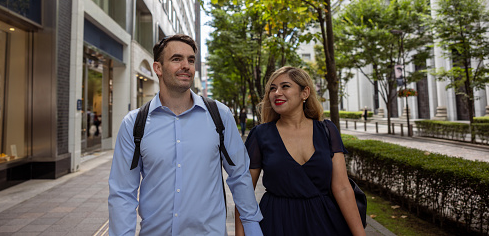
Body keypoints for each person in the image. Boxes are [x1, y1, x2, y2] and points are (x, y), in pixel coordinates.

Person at [108, 34, 263, 236]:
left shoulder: (220, 115)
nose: (186, 65)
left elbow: (239, 176)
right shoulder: (134, 124)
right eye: (176, 59)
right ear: (158, 68)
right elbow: (122, 192)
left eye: (191, 60)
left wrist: (252, 226)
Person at [235, 66, 366, 236]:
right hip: (277, 222)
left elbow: (342, 188)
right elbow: (244, 193)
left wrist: (360, 234)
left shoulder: (327, 131)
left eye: (285, 86)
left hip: (326, 223)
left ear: (305, 93)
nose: (276, 93)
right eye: (272, 89)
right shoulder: (260, 135)